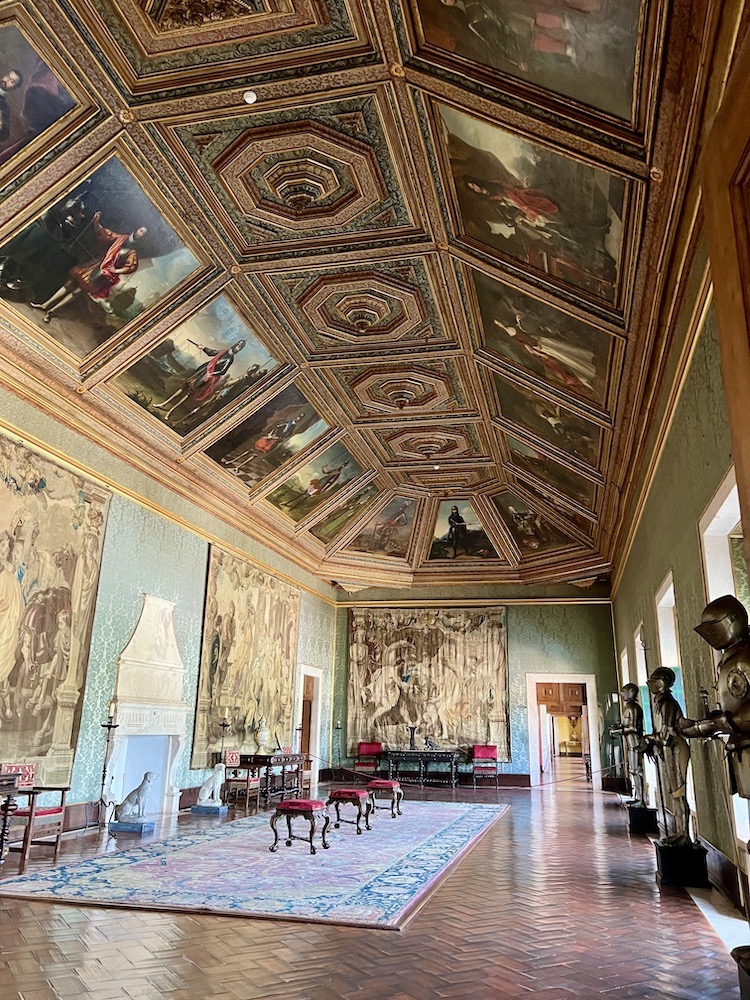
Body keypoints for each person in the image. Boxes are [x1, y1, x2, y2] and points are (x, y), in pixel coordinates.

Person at [680, 595, 750, 799]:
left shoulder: (746, 656)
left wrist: (713, 725)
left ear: (733, 619)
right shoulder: (729, 660)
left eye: (713, 625)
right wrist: (702, 725)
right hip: (740, 746)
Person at [31, 211, 147, 322]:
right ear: (137, 230)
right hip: (94, 264)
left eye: (143, 233)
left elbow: (131, 266)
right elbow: (106, 234)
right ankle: (45, 305)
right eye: (141, 230)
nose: (140, 234)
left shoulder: (133, 251)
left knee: (77, 291)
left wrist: (116, 270)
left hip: (102, 274)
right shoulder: (122, 238)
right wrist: (96, 223)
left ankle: (52, 311)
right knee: (69, 284)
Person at [643, 666, 692, 846]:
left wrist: (649, 739)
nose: (651, 685)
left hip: (675, 748)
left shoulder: (667, 703)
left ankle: (684, 834)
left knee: (679, 793)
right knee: (675, 794)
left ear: (662, 682)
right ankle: (679, 832)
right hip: (668, 750)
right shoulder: (659, 702)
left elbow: (666, 734)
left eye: (655, 681)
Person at [153, 339, 247, 419]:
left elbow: (223, 371)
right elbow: (212, 352)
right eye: (238, 344)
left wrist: (211, 374)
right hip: (201, 371)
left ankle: (170, 412)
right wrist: (203, 348)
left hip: (206, 377)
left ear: (240, 349)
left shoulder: (230, 359)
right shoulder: (224, 351)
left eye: (240, 346)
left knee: (189, 393)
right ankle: (164, 404)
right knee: (184, 387)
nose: (238, 346)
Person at [609, 683, 646, 807]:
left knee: (636, 770)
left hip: (635, 741)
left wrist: (617, 731)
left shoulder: (633, 708)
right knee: (633, 770)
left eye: (624, 692)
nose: (622, 694)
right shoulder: (628, 707)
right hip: (630, 741)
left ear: (631, 692)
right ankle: (638, 797)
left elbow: (634, 727)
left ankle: (642, 800)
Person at [0, 69, 22, 143]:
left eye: (12, 81)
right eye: (7, 76)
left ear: (14, 88)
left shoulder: (3, 107)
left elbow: (4, 134)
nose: (7, 80)